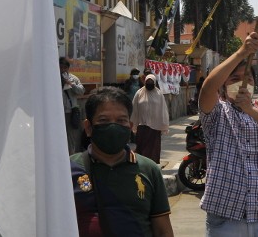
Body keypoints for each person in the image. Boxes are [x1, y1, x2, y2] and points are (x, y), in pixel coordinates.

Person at [198, 32, 258, 236]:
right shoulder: (217, 113)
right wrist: (242, 52)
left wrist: (250, 109)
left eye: (246, 78)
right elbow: (207, 88)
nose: (241, 83)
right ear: (223, 87)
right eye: (234, 79)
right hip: (225, 217)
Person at [70, 86, 174, 237]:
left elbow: (162, 230)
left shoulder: (148, 169)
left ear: (130, 127)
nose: (113, 126)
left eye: (121, 121)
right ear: (88, 127)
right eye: (103, 120)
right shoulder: (69, 169)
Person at [131, 74, 170, 163]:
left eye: (151, 82)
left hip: (154, 129)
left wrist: (163, 125)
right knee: (142, 149)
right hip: (142, 127)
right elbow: (134, 110)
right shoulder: (139, 93)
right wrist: (133, 124)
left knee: (153, 150)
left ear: (154, 83)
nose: (149, 84)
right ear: (145, 82)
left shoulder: (159, 94)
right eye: (148, 82)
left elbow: (163, 110)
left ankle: (152, 167)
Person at [61, 57, 86, 154]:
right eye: (60, 67)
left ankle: (71, 159)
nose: (62, 70)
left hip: (70, 112)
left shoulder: (73, 78)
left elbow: (81, 91)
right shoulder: (52, 78)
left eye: (64, 67)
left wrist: (71, 84)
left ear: (68, 68)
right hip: (57, 113)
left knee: (71, 137)